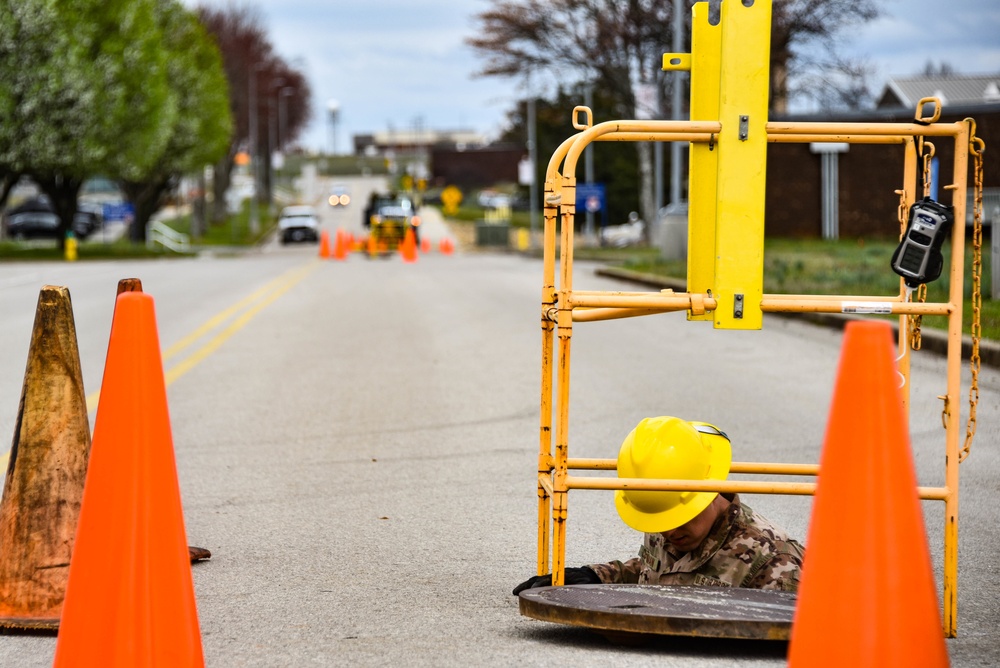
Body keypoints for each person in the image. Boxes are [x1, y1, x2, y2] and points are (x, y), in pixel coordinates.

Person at [513, 416, 804, 595]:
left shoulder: (775, 562)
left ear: (709, 490)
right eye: (658, 520)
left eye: (680, 517)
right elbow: (656, 573)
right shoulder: (663, 513)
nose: (668, 531)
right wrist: (594, 576)